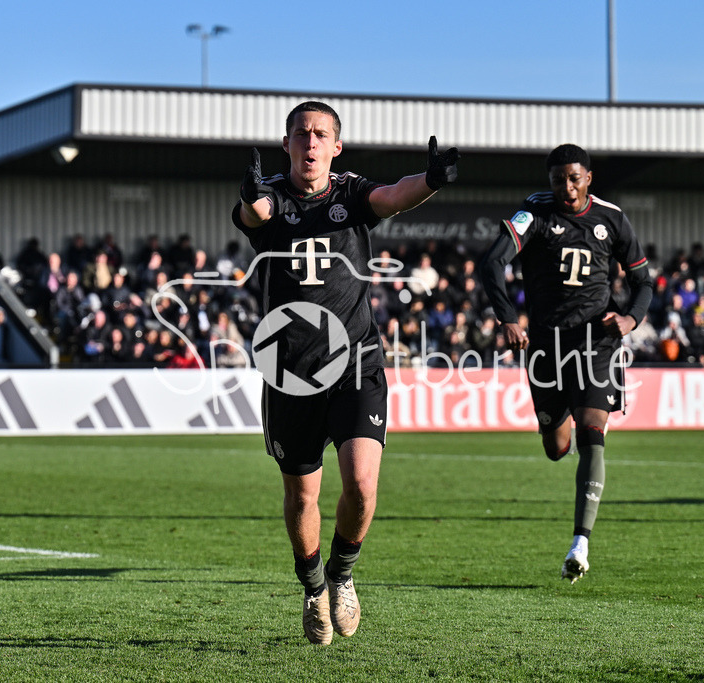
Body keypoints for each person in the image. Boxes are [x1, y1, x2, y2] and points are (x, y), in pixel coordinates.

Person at [232, 100, 458, 644]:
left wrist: (430, 179)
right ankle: (311, 586)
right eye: (301, 134)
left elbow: (393, 196)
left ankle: (343, 575)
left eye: (321, 135)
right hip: (290, 371)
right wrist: (247, 197)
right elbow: (254, 215)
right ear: (287, 143)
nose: (310, 143)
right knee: (303, 495)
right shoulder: (273, 198)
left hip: (356, 360)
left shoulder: (353, 193)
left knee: (360, 481)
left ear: (337, 147)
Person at [479, 143, 652, 585]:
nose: (567, 188)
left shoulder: (612, 218)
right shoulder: (533, 213)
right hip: (545, 345)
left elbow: (642, 282)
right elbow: (492, 263)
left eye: (574, 178)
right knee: (557, 447)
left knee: (593, 435)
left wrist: (630, 318)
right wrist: (507, 318)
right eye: (559, 180)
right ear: (550, 180)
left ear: (588, 178)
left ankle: (581, 543)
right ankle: (563, 427)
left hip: (597, 341)